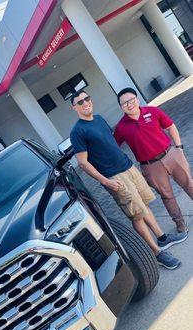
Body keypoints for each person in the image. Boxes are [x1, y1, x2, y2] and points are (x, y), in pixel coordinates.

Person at [69, 89, 184, 270]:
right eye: (80, 102)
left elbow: (111, 145)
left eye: (87, 98)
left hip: (128, 167)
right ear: (74, 107)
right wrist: (106, 182)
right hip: (113, 176)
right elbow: (83, 163)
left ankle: (162, 238)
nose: (86, 103)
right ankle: (158, 253)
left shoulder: (98, 119)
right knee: (136, 215)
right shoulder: (78, 131)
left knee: (144, 205)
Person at [115, 87, 193, 234]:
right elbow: (113, 147)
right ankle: (180, 223)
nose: (129, 104)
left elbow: (170, 127)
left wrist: (179, 148)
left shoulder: (152, 111)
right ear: (121, 107)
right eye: (124, 103)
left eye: (131, 100)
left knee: (189, 183)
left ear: (137, 100)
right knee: (167, 196)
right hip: (150, 166)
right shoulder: (121, 127)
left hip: (171, 154)